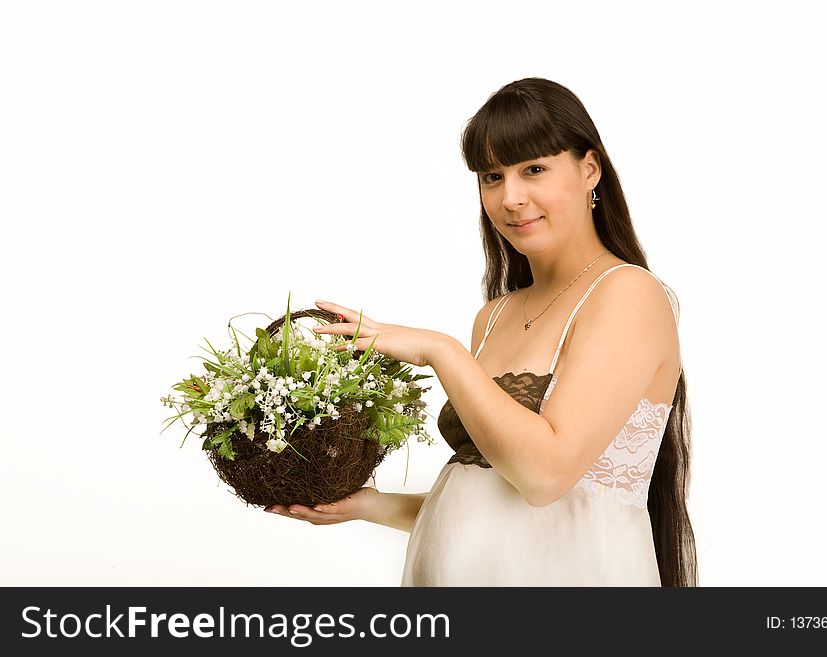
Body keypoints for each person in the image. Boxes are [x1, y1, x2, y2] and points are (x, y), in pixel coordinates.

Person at [266, 77, 698, 587]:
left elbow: (544, 477)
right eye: (492, 177)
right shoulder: (493, 316)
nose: (511, 197)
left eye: (533, 169)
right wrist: (369, 505)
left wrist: (439, 351)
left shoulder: (627, 293)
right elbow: (495, 499)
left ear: (589, 169)